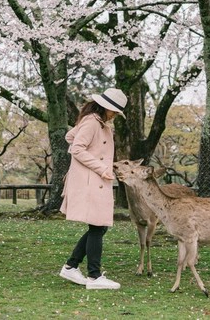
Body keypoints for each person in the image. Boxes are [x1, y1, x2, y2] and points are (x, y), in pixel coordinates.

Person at [58, 88, 127, 290]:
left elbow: (71, 137)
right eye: (113, 110)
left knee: (99, 225)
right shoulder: (92, 122)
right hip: (92, 179)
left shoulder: (96, 122)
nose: (114, 114)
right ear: (105, 106)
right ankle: (94, 276)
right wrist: (101, 168)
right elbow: (77, 148)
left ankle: (71, 266)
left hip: (95, 179)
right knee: (98, 225)